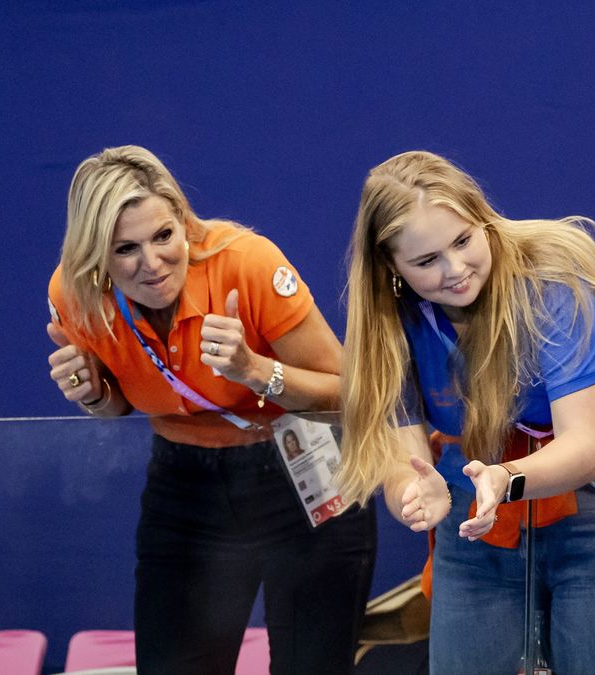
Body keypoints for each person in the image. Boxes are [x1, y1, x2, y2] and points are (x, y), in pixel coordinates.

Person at [336, 151, 595, 674]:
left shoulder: (556, 283)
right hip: (476, 502)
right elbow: (403, 447)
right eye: (426, 262)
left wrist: (503, 479)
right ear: (391, 268)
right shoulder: (388, 319)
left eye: (462, 241)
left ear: (484, 220)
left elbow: (585, 450)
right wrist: (414, 492)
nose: (454, 271)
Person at [45, 145, 375, 674]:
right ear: (94, 256)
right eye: (124, 248)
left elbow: (351, 394)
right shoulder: (76, 294)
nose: (151, 264)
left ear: (183, 220)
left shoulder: (247, 263)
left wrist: (253, 370)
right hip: (185, 487)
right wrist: (94, 395)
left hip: (300, 472)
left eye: (163, 236)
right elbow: (118, 406)